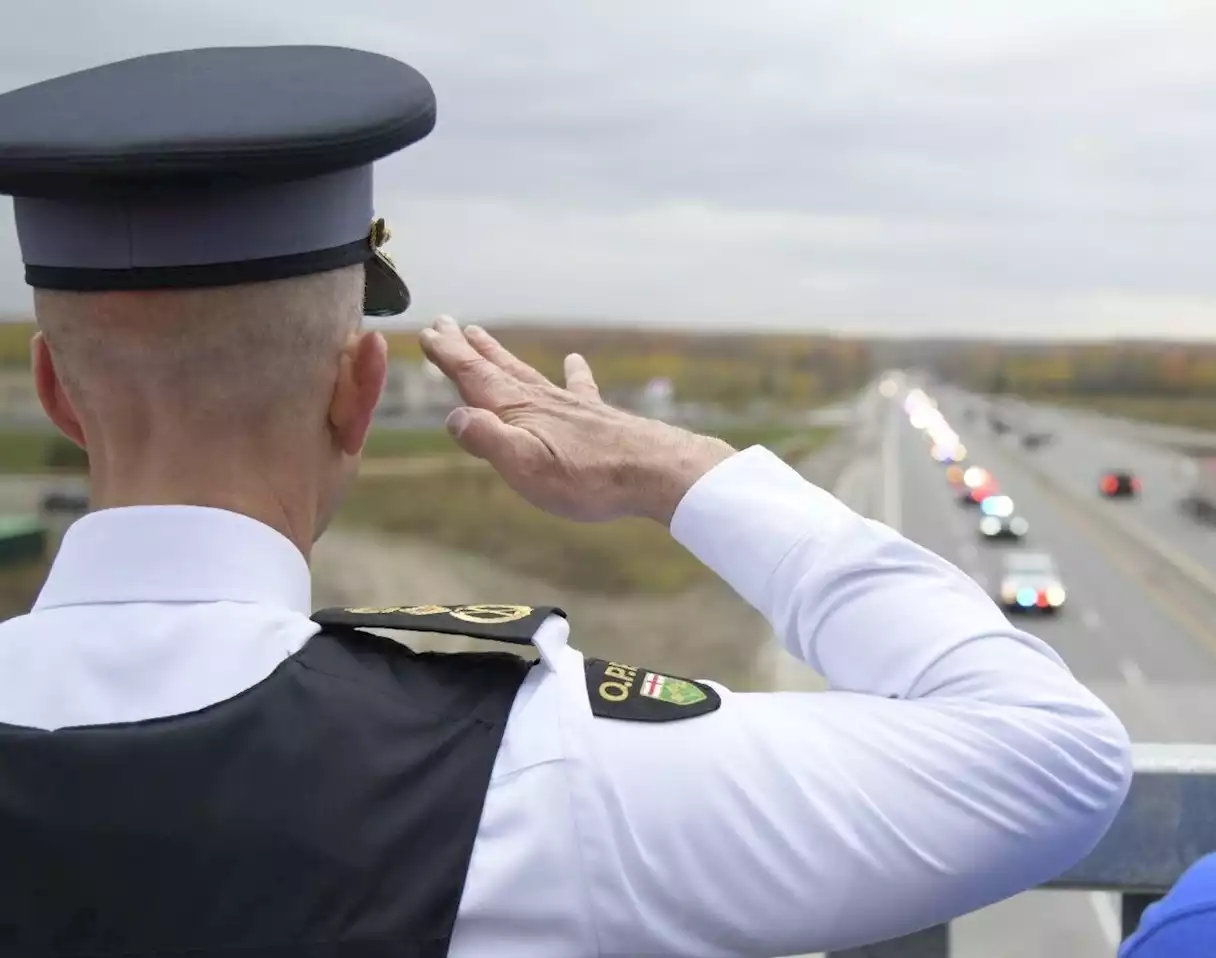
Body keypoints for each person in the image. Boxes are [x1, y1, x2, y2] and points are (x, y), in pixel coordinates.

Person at [0, 45, 1132, 958]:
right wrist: (678, 468)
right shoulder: (536, 772)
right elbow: (1048, 758)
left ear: (56, 391)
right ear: (359, 390)